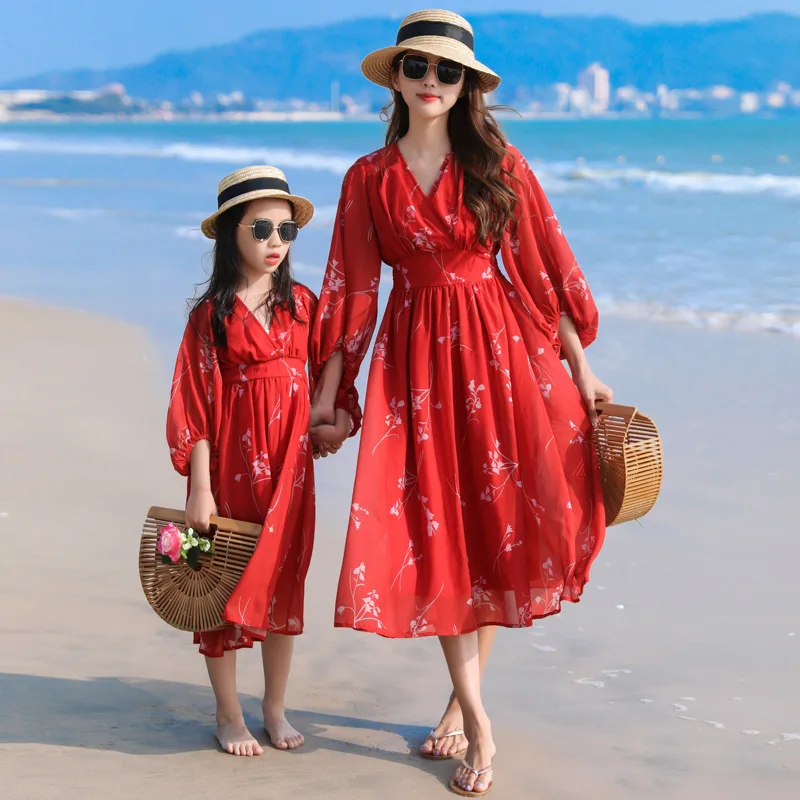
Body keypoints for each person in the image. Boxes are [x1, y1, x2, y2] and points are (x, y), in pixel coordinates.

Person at [310, 10, 613, 795]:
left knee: (491, 524)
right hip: (412, 361)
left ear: (468, 85)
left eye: (449, 73)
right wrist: (331, 392)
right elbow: (351, 287)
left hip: (501, 352)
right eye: (420, 68)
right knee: (433, 523)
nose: (433, 83)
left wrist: (580, 372)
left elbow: (543, 271)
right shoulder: (366, 180)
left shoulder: (498, 166)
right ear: (398, 77)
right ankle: (479, 718)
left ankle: (460, 702)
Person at [167, 166, 335, 755]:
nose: (275, 242)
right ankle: (228, 714)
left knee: (284, 583)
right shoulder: (210, 316)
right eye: (261, 227)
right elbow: (194, 407)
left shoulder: (304, 305)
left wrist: (330, 420)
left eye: (286, 230)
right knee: (218, 582)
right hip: (231, 469)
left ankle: (274, 706)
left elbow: (333, 372)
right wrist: (200, 488)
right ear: (229, 233)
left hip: (290, 470)